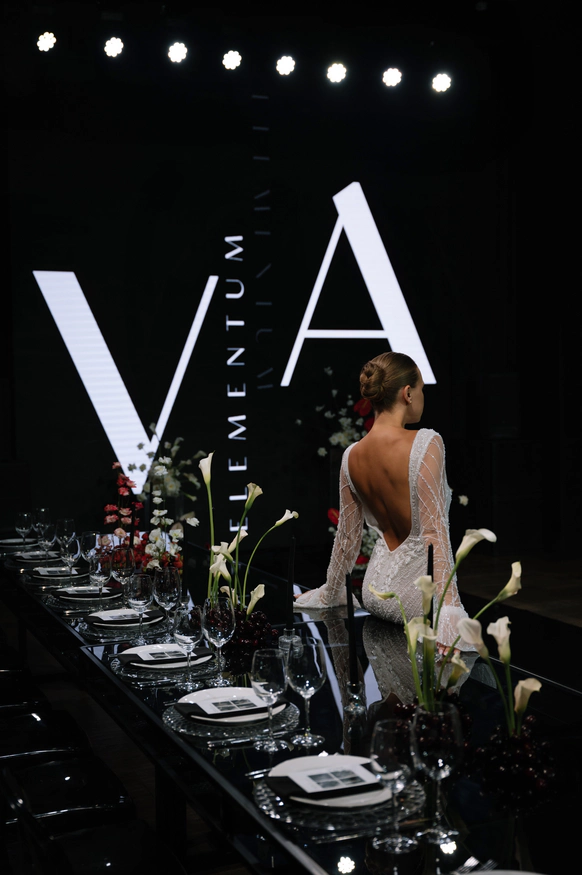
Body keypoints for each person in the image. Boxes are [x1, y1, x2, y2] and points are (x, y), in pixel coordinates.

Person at [295, 351, 473, 652]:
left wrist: (330, 593)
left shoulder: (351, 455)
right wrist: (449, 615)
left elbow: (347, 537)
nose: (423, 397)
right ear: (407, 393)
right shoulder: (426, 442)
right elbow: (434, 533)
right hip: (418, 602)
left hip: (375, 593)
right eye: (422, 389)